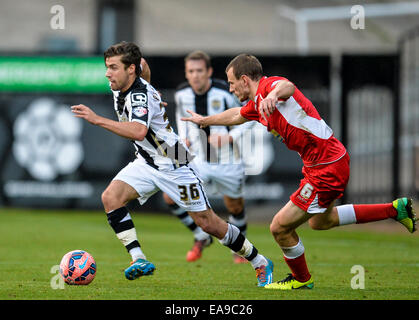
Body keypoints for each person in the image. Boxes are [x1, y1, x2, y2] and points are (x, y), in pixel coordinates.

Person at [182, 53, 417, 290]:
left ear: (244, 79)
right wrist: (205, 121)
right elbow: (235, 115)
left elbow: (288, 86)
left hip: (326, 167)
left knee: (279, 227)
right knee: (321, 222)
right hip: (323, 164)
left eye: (232, 83)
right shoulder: (255, 103)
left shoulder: (270, 86)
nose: (231, 89)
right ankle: (395, 209)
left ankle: (302, 279)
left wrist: (273, 95)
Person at [70, 43, 274, 287]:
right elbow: (143, 66)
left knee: (208, 222)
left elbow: (138, 130)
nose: (107, 73)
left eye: (113, 67)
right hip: (147, 160)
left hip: (173, 159)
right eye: (107, 67)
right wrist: (153, 97)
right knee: (111, 198)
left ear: (129, 69)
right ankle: (139, 259)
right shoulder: (125, 82)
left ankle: (259, 261)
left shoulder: (138, 95)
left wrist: (97, 119)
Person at [162, 50, 254, 263]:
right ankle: (200, 235)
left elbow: (250, 116)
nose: (195, 75)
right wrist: (182, 142)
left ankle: (240, 249)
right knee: (169, 194)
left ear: (209, 72)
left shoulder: (225, 92)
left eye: (200, 71)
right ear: (186, 73)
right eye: (191, 71)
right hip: (197, 159)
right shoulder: (182, 94)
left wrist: (230, 137)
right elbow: (181, 120)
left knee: (235, 206)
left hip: (227, 160)